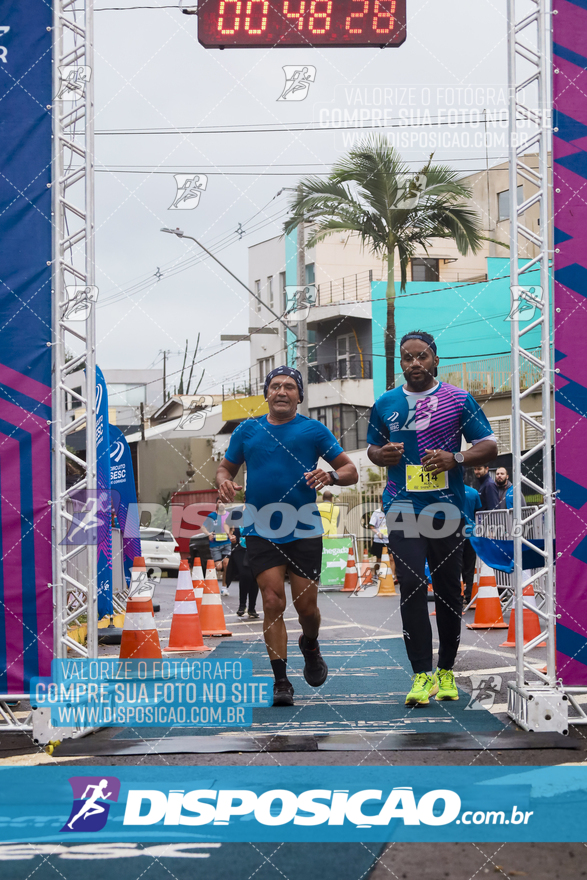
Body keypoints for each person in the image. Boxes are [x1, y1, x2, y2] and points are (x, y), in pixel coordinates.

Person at [367, 330, 498, 708]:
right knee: (409, 584)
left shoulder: (457, 399)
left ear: (435, 359)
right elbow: (372, 448)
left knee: (447, 589)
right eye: (407, 358)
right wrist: (382, 455)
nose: (414, 364)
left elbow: (488, 444)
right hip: (402, 505)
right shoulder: (386, 402)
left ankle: (446, 669)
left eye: (421, 356)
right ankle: (421, 674)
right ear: (401, 363)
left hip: (447, 508)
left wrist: (454, 458)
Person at [215, 365, 358, 707]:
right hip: (261, 527)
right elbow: (226, 468)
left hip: (303, 527)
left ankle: (310, 644)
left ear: (299, 396)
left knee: (306, 608)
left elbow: (350, 470)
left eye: (289, 387)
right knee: (272, 601)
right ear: (266, 393)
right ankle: (281, 681)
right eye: (275, 386)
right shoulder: (248, 430)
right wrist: (222, 480)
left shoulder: (313, 430)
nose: (281, 391)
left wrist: (330, 477)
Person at [226, 526, 260, 619]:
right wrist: (230, 535)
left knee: (253, 577)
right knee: (245, 574)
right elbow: (226, 523)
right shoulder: (237, 514)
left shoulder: (257, 513)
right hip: (239, 549)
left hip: (254, 549)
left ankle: (252, 608)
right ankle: (242, 605)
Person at [202, 500, 232, 594]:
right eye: (219, 502)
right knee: (218, 567)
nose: (221, 504)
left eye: (223, 502)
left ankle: (224, 587)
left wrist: (231, 534)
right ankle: (211, 585)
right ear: (216, 504)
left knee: (226, 564)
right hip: (215, 544)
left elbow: (233, 527)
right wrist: (208, 534)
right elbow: (203, 527)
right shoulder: (212, 516)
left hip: (226, 543)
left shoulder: (228, 515)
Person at [462, 484, 482, 604]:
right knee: (470, 566)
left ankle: (457, 595)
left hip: (453, 533)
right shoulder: (473, 492)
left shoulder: (450, 491)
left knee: (455, 566)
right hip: (471, 532)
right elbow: (477, 511)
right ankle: (469, 594)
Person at [368, 500, 388, 581]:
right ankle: (376, 573)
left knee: (392, 558)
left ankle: (393, 576)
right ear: (381, 503)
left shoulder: (392, 512)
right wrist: (378, 533)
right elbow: (371, 526)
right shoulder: (376, 513)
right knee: (379, 559)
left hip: (390, 539)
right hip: (379, 540)